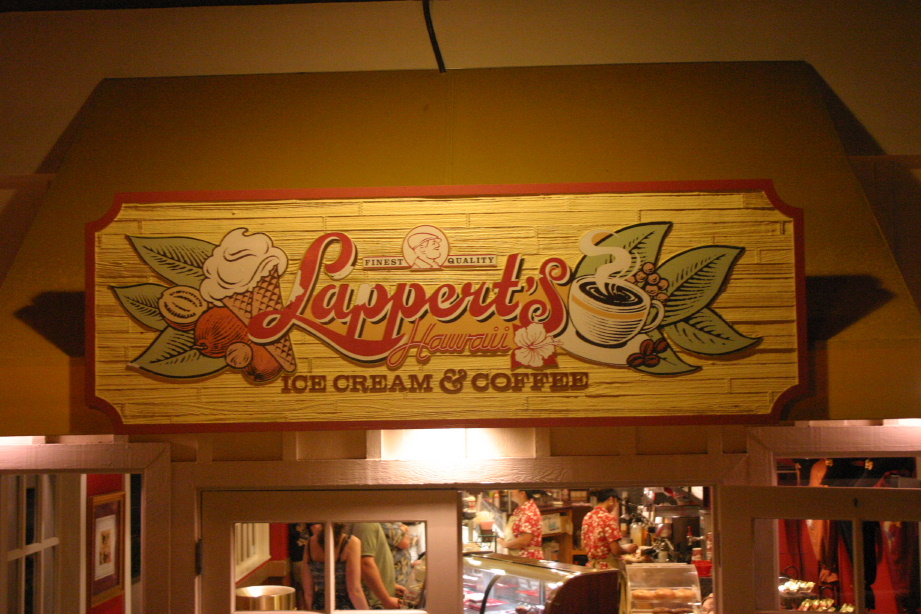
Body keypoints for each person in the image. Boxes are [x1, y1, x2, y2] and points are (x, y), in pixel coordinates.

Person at [301, 522, 369, 611]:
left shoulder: (310, 543)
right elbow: (354, 591)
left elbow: (308, 592)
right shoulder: (350, 542)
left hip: (321, 606)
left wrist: (310, 611)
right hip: (346, 608)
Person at [582, 489, 638, 569]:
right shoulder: (608, 518)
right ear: (611, 500)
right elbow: (616, 550)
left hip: (591, 567)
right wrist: (628, 550)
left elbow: (583, 545)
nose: (615, 506)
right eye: (616, 502)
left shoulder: (588, 516)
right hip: (608, 569)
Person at [352, 522, 401, 609]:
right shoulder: (366, 523)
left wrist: (392, 585)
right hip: (375, 603)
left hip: (379, 600)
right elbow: (365, 563)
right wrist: (386, 600)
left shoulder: (370, 523)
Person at [498, 489, 544, 559]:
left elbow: (524, 540)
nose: (510, 491)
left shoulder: (529, 512)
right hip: (518, 556)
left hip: (527, 558)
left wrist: (505, 544)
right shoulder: (520, 509)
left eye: (514, 489)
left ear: (522, 494)